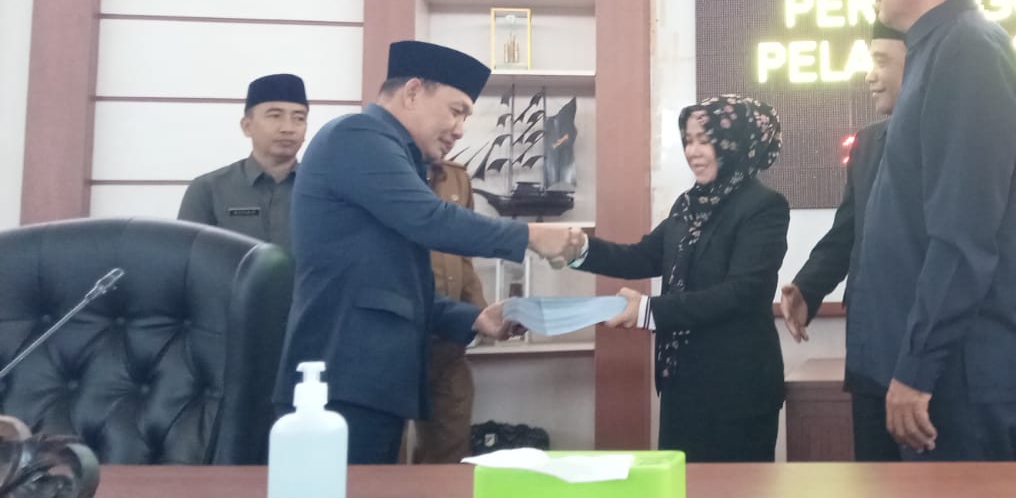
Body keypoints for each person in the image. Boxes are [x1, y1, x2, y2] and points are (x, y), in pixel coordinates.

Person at [780, 21, 1016, 461]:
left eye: (882, 61)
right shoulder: (869, 144)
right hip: (873, 351)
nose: (870, 76)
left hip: (946, 356)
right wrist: (809, 286)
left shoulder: (998, 145)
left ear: (918, 65)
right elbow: (850, 230)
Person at [274, 40, 553, 465]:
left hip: (371, 383)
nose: (460, 129)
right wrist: (530, 236)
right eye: (456, 111)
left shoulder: (398, 156)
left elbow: (393, 283)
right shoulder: (357, 136)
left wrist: (474, 317)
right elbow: (431, 219)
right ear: (412, 92)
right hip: (339, 379)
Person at [853, 0, 1016, 461]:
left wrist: (917, 367)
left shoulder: (969, 50)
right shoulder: (934, 48)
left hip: (955, 376)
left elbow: (963, 234)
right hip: (931, 369)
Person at [530, 95, 789, 462]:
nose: (693, 151)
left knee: (733, 486)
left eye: (705, 140)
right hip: (681, 381)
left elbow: (742, 292)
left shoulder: (764, 206)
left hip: (737, 387)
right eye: (688, 140)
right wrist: (579, 249)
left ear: (736, 143)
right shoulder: (689, 204)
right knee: (679, 482)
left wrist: (649, 310)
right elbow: (642, 256)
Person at [409, 157, 488, 463]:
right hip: (396, 338)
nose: (456, 133)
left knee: (451, 449)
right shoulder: (387, 172)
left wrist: (480, 313)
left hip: (449, 340)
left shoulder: (457, 178)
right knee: (384, 459)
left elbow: (463, 254)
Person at [176, 73, 308, 249]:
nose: (288, 128)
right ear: (247, 126)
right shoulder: (208, 189)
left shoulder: (321, 190)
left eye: (299, 118)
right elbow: (186, 256)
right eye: (275, 116)